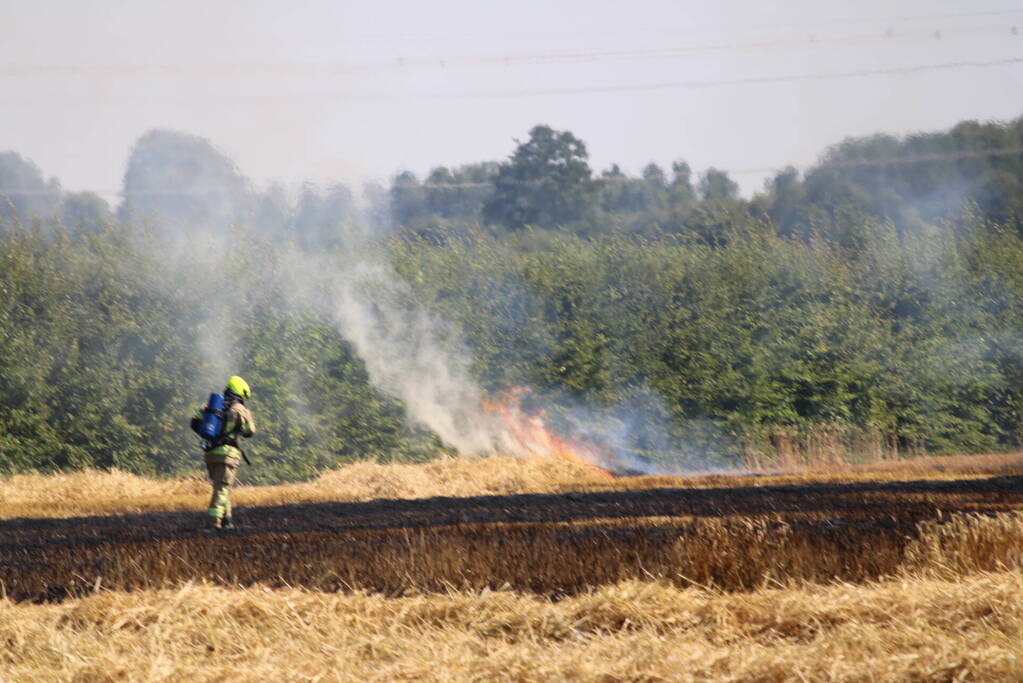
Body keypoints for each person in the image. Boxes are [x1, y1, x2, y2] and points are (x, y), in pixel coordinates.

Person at [191, 375, 256, 530]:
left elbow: (194, 422)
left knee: (222, 487)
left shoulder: (211, 406)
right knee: (222, 488)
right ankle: (213, 523)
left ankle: (227, 520)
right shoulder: (239, 409)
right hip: (228, 455)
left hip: (210, 453)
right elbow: (250, 431)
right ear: (241, 392)